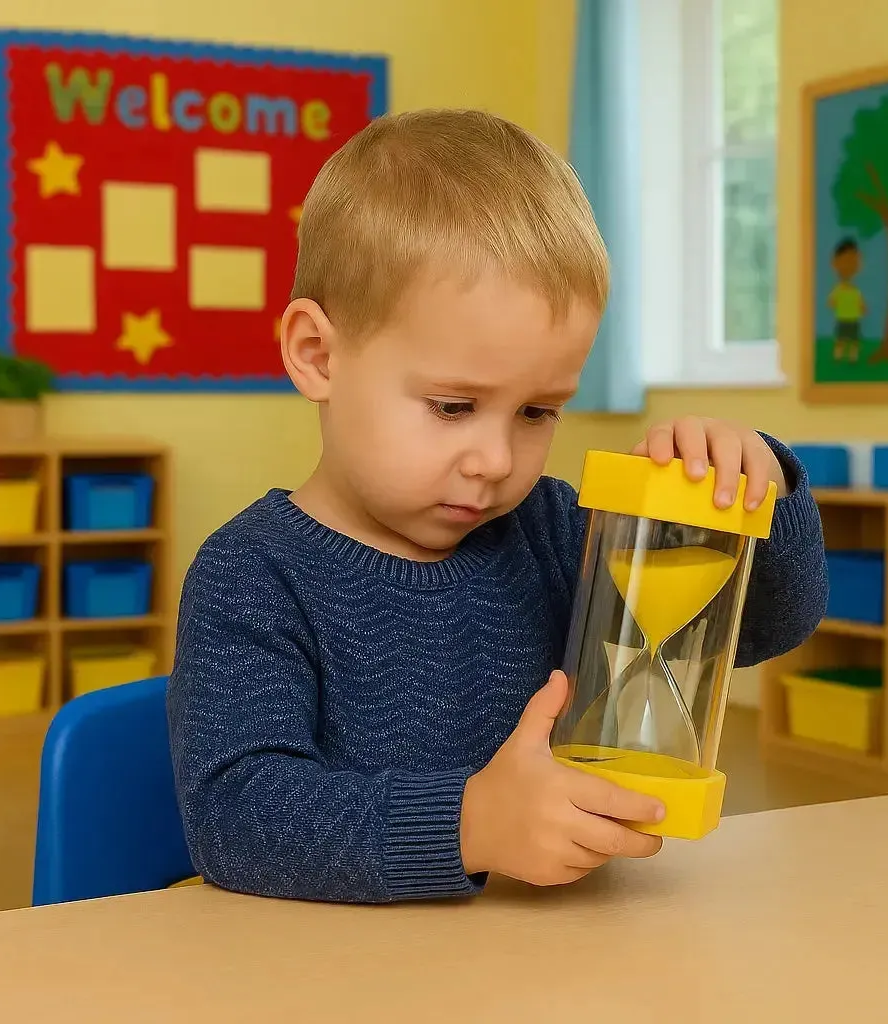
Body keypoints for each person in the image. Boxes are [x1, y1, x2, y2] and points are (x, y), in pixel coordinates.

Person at [166, 109, 827, 904]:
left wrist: (759, 491)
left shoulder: (553, 531)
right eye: (452, 406)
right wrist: (467, 823)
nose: (495, 460)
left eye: (537, 412)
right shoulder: (252, 574)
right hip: (340, 973)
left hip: (551, 954)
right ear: (317, 355)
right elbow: (236, 820)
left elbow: (760, 631)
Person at [827, 237, 866, 362]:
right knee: (841, 340)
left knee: (854, 340)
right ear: (835, 263)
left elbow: (860, 304)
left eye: (854, 261)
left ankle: (852, 357)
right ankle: (838, 355)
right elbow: (831, 302)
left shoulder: (855, 290)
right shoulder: (838, 289)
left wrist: (861, 308)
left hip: (853, 319)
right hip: (843, 319)